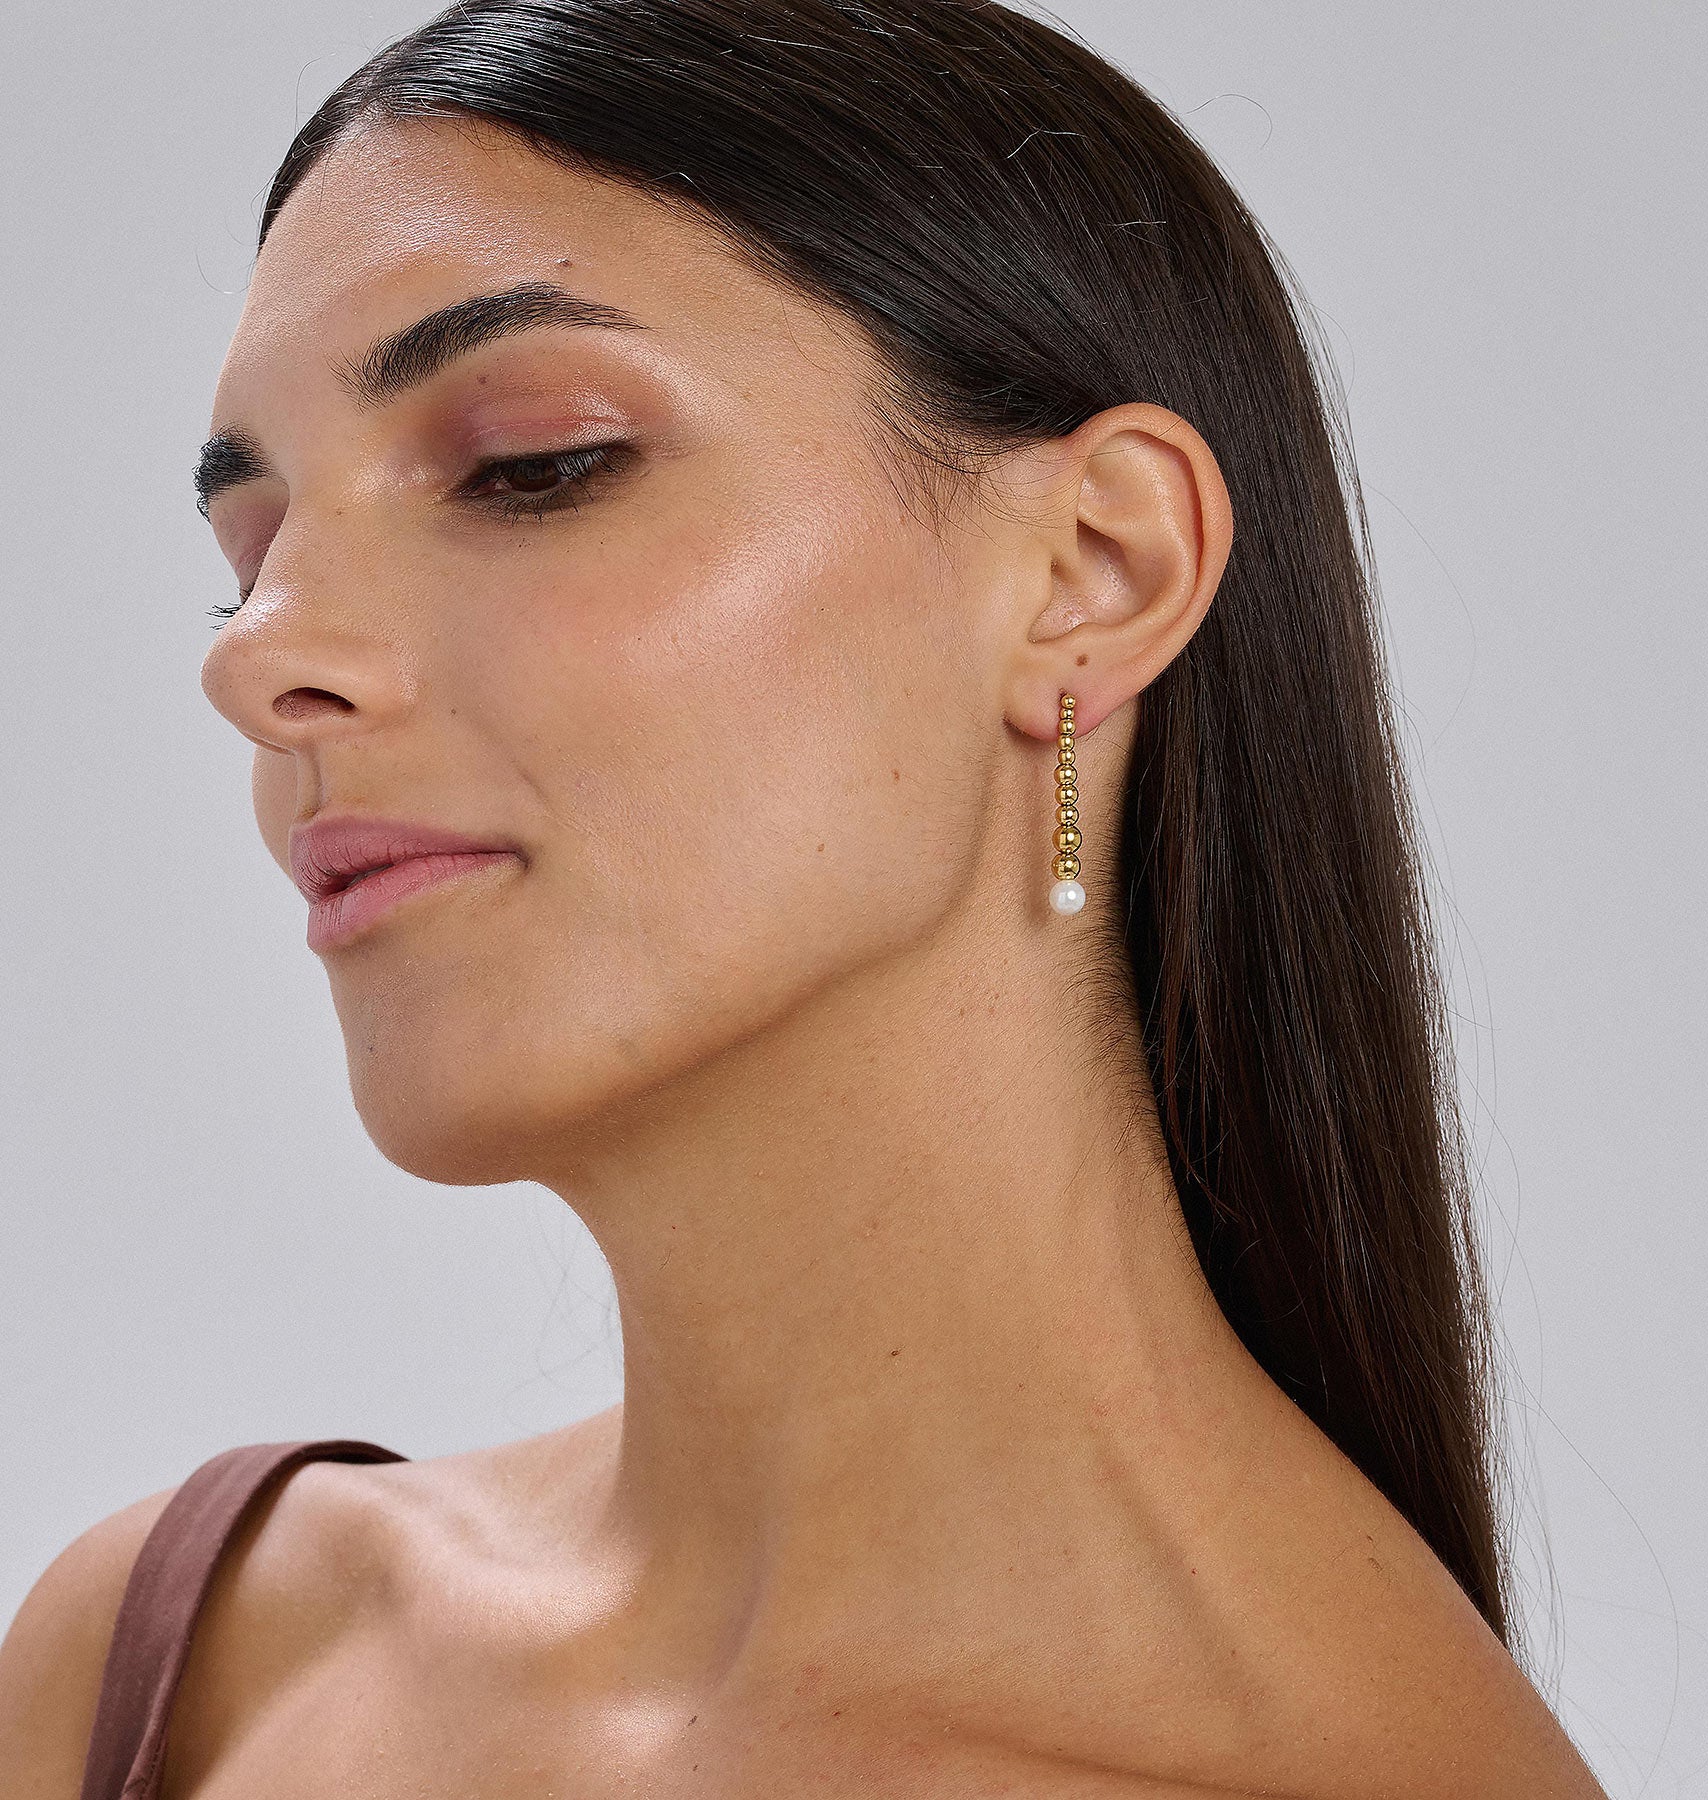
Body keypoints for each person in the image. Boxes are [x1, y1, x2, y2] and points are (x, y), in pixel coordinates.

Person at [0, 1, 1610, 1794]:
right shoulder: (176, 1661)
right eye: (252, 555)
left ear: (1092, 572)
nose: (257, 659)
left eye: (533, 467)